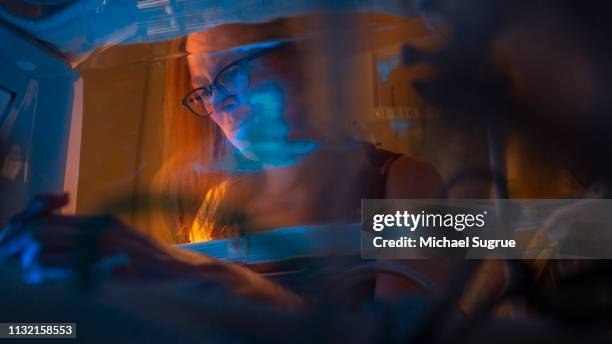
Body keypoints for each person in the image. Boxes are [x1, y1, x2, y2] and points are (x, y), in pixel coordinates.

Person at [0, 19, 444, 306]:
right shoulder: (213, 202)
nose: (221, 101)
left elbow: (405, 333)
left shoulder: (404, 178)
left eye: (233, 70)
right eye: (204, 88)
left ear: (304, 60)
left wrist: (193, 275)